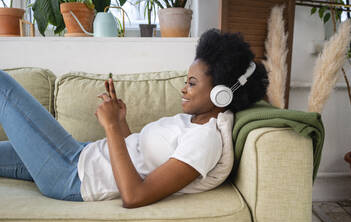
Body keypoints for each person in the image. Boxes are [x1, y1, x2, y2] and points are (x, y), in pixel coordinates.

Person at [0, 29, 268, 208]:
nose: (184, 88)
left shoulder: (205, 140)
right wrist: (122, 123)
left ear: (222, 94)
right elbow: (139, 160)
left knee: (3, 85)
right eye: (187, 81)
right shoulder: (193, 122)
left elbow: (134, 195)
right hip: (80, 156)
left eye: (193, 83)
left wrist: (112, 127)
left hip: (72, 175)